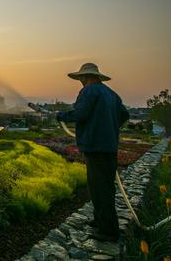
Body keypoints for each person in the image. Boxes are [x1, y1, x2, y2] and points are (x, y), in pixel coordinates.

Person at [56, 63, 129, 242]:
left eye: (81, 79)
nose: (80, 82)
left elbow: (80, 114)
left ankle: (109, 231)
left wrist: (61, 115)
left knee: (99, 188)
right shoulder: (112, 94)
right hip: (109, 147)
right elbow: (125, 115)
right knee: (104, 186)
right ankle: (100, 220)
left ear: (84, 77)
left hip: (95, 147)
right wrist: (109, 128)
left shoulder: (88, 91)